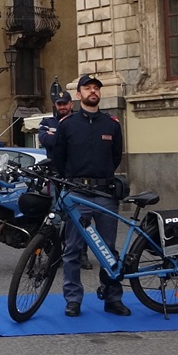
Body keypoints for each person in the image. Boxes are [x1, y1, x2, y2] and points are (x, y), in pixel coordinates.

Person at [53, 75, 128, 318]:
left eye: (96, 88)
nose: (92, 91)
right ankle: (73, 299)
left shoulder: (112, 124)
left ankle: (112, 298)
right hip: (77, 194)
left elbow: (116, 157)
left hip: (105, 193)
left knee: (109, 250)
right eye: (87, 88)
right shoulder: (67, 125)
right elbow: (59, 159)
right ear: (79, 95)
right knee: (73, 250)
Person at [38, 89, 92, 270]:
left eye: (65, 103)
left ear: (71, 104)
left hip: (74, 177)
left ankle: (82, 254)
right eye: (59, 103)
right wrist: (64, 139)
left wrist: (57, 138)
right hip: (54, 177)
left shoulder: (78, 121)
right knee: (55, 216)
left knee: (79, 217)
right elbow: (46, 141)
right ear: (55, 105)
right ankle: (55, 253)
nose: (62, 106)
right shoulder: (47, 122)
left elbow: (79, 143)